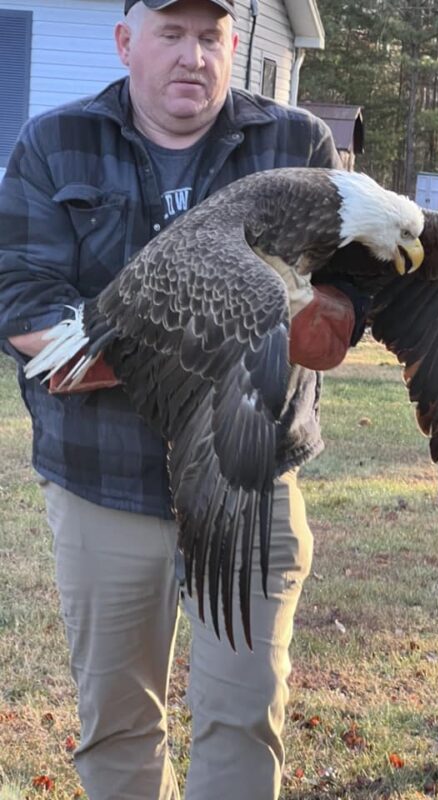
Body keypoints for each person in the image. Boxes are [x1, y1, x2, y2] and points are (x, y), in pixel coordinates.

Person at [0, 1, 367, 798]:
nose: (193, 56)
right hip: (106, 485)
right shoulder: (54, 143)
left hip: (250, 481)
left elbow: (345, 288)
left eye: (211, 36)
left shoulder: (294, 141)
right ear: (127, 42)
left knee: (243, 716)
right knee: (118, 722)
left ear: (234, 45)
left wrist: (332, 313)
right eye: (171, 34)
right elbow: (23, 302)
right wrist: (208, 346)